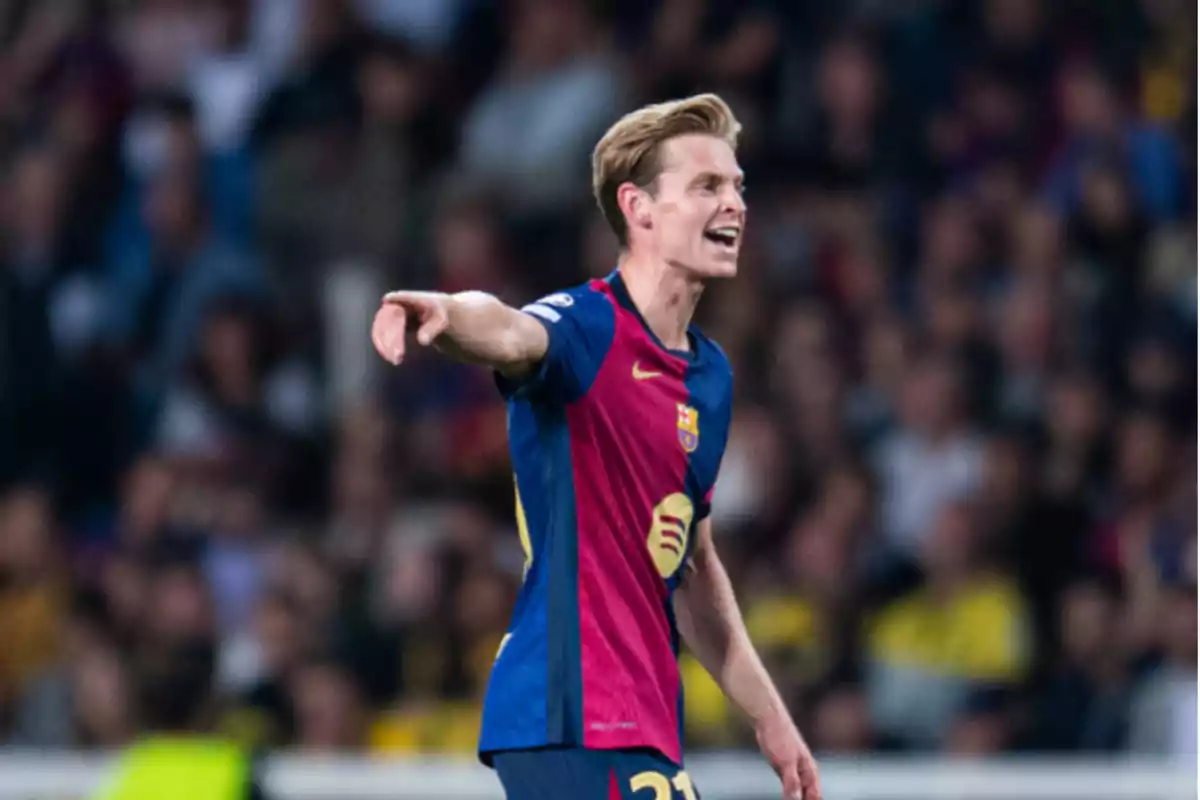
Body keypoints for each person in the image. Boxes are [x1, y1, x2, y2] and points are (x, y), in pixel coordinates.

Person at [371, 94, 821, 800]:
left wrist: (771, 720)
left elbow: (695, 570)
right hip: (569, 712)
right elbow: (514, 331)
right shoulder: (588, 326)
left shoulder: (710, 378)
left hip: (642, 729)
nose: (734, 203)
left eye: (737, 186)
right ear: (638, 207)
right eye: (707, 185)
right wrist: (447, 311)